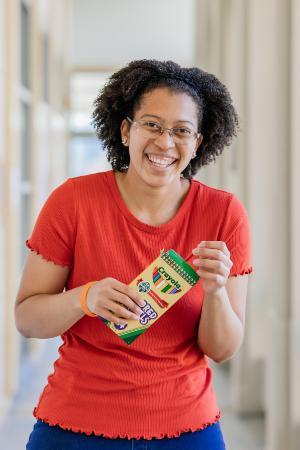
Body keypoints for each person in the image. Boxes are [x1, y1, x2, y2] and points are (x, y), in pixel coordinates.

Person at [15, 59, 252, 450]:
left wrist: (215, 292)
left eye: (182, 131)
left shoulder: (224, 214)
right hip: (75, 424)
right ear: (126, 130)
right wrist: (84, 297)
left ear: (198, 142)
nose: (165, 142)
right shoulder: (73, 202)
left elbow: (222, 350)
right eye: (152, 125)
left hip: (186, 427)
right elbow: (27, 319)